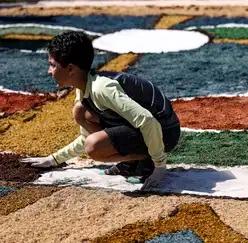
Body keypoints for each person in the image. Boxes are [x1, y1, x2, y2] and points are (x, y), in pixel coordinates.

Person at [20, 31, 181, 190]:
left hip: (165, 132)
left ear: (70, 69)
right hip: (150, 129)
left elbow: (147, 120)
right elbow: (86, 136)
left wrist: (160, 166)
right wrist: (53, 159)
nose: (49, 71)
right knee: (81, 113)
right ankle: (134, 161)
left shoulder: (101, 88)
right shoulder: (84, 87)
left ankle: (147, 160)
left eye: (52, 65)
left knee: (94, 147)